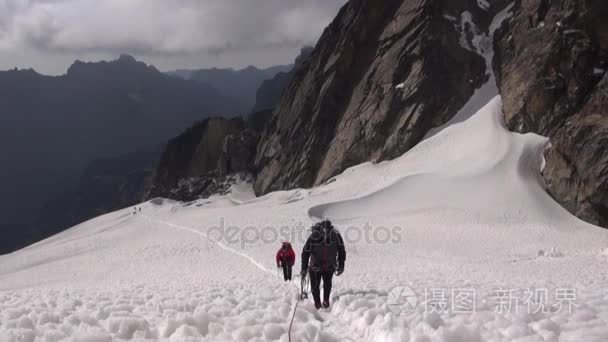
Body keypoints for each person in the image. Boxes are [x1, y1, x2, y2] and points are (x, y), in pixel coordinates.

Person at [301, 220, 346, 309]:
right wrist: (304, 268)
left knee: (327, 283)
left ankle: (326, 300)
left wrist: (341, 265)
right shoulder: (314, 236)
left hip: (329, 266)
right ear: (321, 230)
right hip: (315, 267)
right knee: (315, 285)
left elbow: (341, 251)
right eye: (324, 231)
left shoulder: (336, 236)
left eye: (328, 231)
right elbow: (305, 252)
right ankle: (317, 303)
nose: (326, 234)